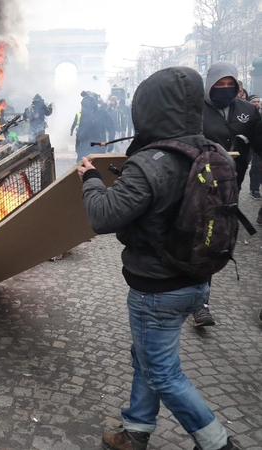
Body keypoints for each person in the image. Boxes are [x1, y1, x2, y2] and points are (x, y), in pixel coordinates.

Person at [79, 66, 239, 450]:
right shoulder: (216, 152)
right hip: (199, 278)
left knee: (163, 373)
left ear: (146, 109)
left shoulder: (150, 163)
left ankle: (217, 443)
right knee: (145, 357)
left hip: (157, 288)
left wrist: (90, 179)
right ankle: (136, 430)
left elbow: (103, 216)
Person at [194, 61, 262, 327]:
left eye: (229, 84)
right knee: (203, 241)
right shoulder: (194, 110)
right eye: (219, 84)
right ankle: (201, 303)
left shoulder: (248, 112)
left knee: (220, 242)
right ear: (209, 84)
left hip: (233, 186)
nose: (224, 89)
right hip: (199, 187)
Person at [72, 93, 107, 160]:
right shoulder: (83, 114)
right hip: (85, 145)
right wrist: (78, 145)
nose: (84, 108)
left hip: (97, 144)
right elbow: (80, 130)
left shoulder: (101, 113)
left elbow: (107, 128)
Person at [247, 95, 261, 199]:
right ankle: (254, 189)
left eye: (258, 101)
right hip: (248, 143)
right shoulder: (247, 114)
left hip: (258, 144)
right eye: (254, 102)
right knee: (255, 166)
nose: (256, 103)